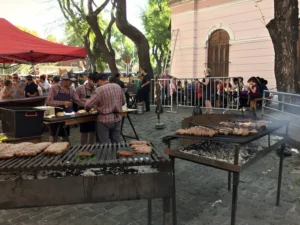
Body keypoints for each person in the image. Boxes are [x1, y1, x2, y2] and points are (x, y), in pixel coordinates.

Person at [85, 73, 125, 144]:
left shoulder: (99, 90)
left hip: (104, 120)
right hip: (117, 118)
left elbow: (88, 105)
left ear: (99, 81)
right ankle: (117, 154)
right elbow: (123, 102)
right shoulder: (118, 86)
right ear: (107, 79)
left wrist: (89, 109)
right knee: (116, 142)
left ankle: (105, 155)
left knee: (104, 144)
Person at [46, 73, 84, 142]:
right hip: (54, 115)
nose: (71, 83)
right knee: (53, 135)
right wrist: (63, 103)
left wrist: (88, 104)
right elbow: (49, 102)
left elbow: (77, 100)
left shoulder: (71, 89)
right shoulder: (54, 87)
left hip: (66, 115)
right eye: (70, 81)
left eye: (72, 82)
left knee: (65, 135)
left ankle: (65, 150)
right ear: (64, 80)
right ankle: (51, 150)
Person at [76, 73, 96, 145]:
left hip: (93, 112)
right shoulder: (80, 88)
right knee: (84, 132)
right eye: (93, 81)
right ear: (88, 79)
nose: (94, 83)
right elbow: (76, 100)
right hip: (83, 112)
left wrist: (86, 100)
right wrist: (86, 101)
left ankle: (91, 148)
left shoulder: (95, 89)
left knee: (92, 132)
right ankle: (83, 148)